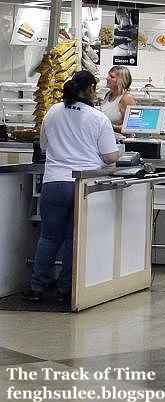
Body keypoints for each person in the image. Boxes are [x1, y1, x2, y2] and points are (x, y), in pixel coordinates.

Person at [23, 70, 119, 303]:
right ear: (90, 90)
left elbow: (44, 145)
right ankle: (66, 290)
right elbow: (110, 157)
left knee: (48, 237)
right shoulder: (98, 118)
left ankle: (36, 287)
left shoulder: (53, 111)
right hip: (82, 184)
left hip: (54, 182)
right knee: (72, 239)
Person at [100, 65, 136, 133]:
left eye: (112, 77)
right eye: (108, 75)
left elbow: (132, 126)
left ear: (121, 80)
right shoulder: (108, 95)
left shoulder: (126, 99)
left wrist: (112, 127)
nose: (107, 78)